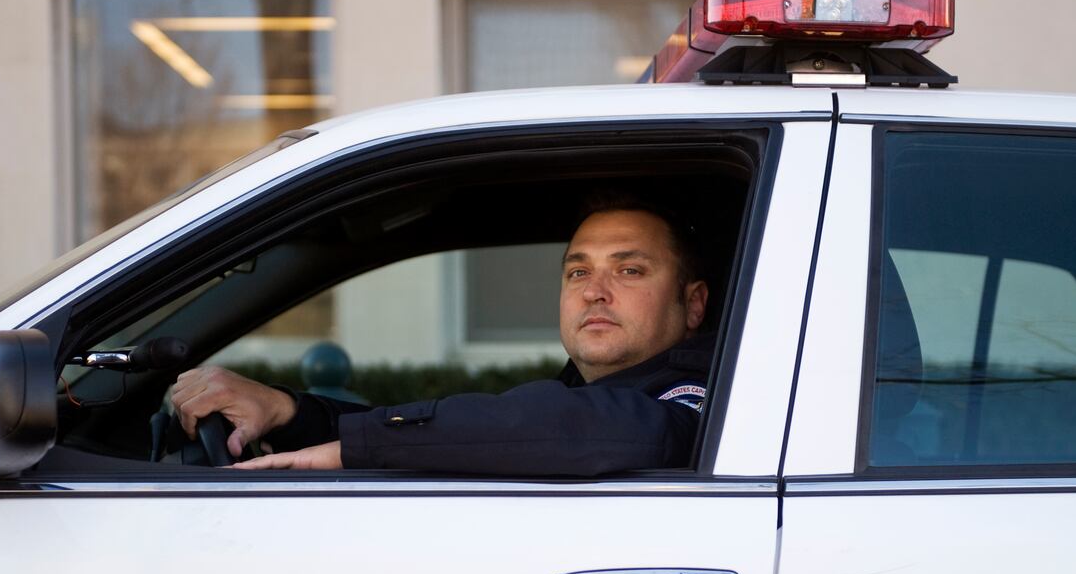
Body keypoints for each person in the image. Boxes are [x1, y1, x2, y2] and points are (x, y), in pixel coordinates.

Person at [169, 195, 712, 475]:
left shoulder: (698, 402)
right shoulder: (575, 395)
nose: (594, 290)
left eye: (629, 270)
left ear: (692, 304)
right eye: (577, 271)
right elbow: (478, 424)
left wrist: (362, 448)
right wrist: (289, 411)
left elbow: (581, 429)